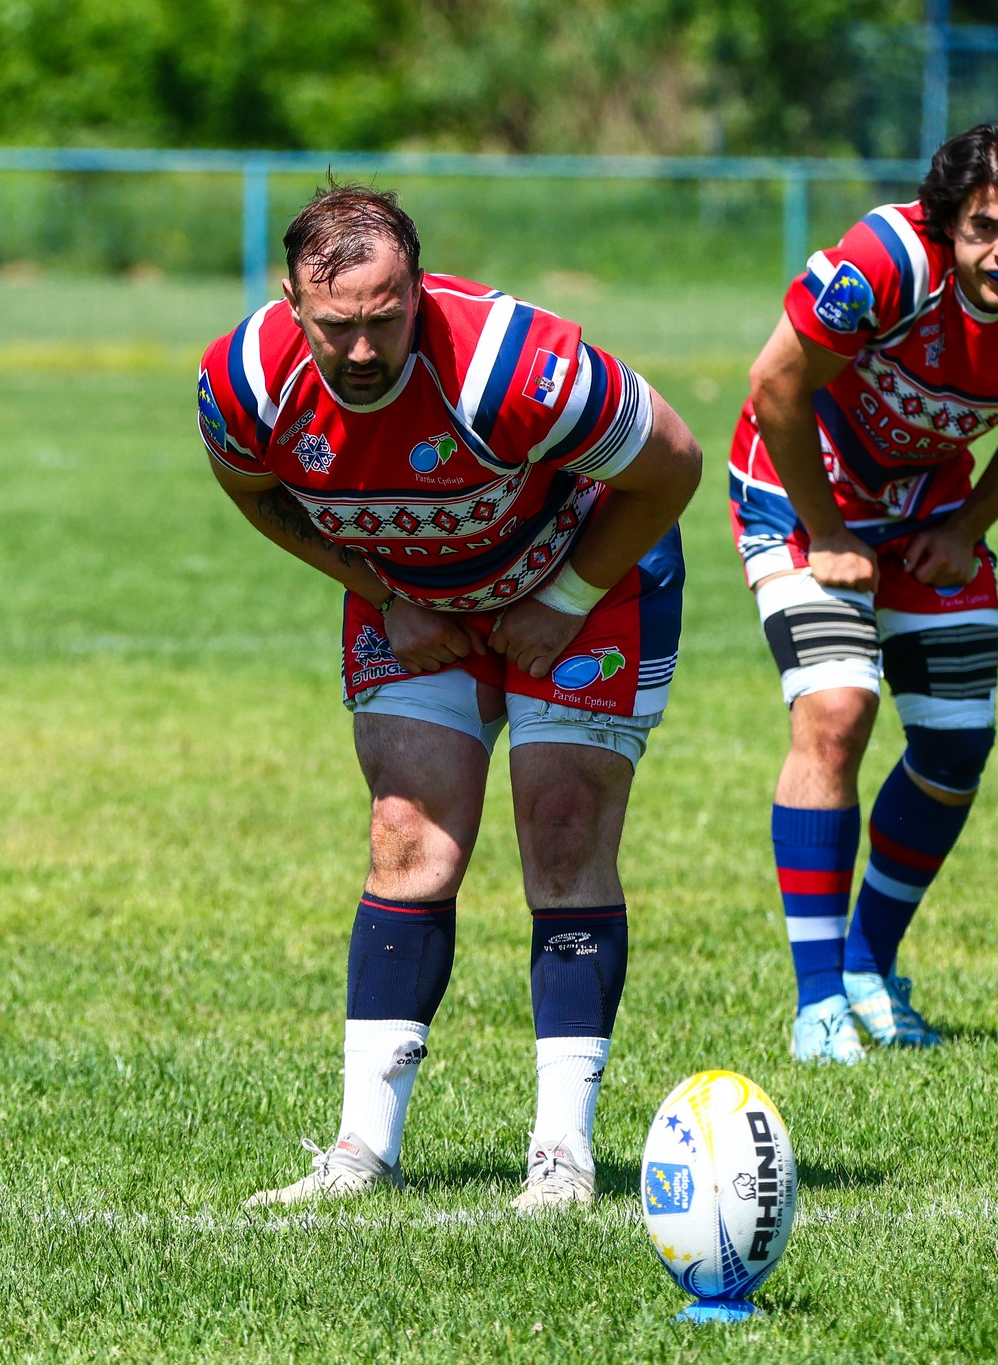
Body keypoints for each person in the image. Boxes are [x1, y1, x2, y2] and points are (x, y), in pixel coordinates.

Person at [196, 185, 701, 1205]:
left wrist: (563, 600)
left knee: (562, 828)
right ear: (292, 303)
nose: (362, 350)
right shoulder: (244, 382)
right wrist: (383, 594)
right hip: (416, 602)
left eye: (384, 320)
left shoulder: (516, 367)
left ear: (419, 290)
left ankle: (561, 1154)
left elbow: (673, 466)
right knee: (407, 835)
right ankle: (361, 1153)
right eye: (335, 326)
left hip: (588, 581)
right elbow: (252, 488)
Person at [730, 124, 998, 1064]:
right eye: (983, 227)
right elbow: (775, 384)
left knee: (956, 746)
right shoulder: (884, 262)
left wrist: (969, 523)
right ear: (947, 224)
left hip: (930, 505)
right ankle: (819, 1003)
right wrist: (828, 532)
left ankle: (870, 962)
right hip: (801, 490)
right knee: (837, 712)